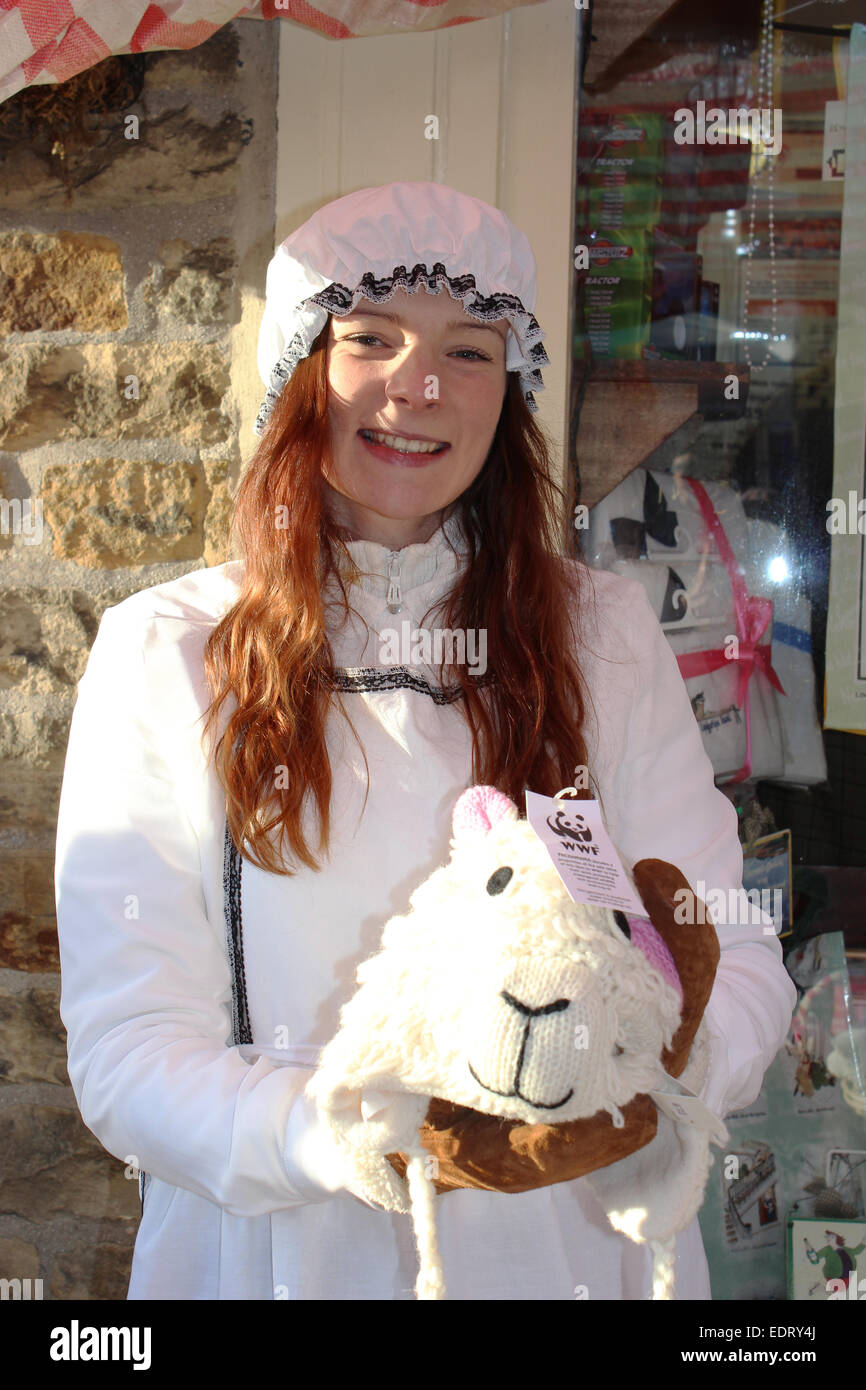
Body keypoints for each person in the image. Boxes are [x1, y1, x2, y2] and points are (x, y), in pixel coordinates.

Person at [55, 180, 797, 1301]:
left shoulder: (601, 633)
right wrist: (361, 1134)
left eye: (469, 349)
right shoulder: (165, 650)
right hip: (281, 1250)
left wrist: (613, 1085)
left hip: (570, 1248)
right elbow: (128, 1051)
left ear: (512, 390)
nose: (420, 385)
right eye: (370, 339)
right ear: (300, 366)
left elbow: (728, 954)